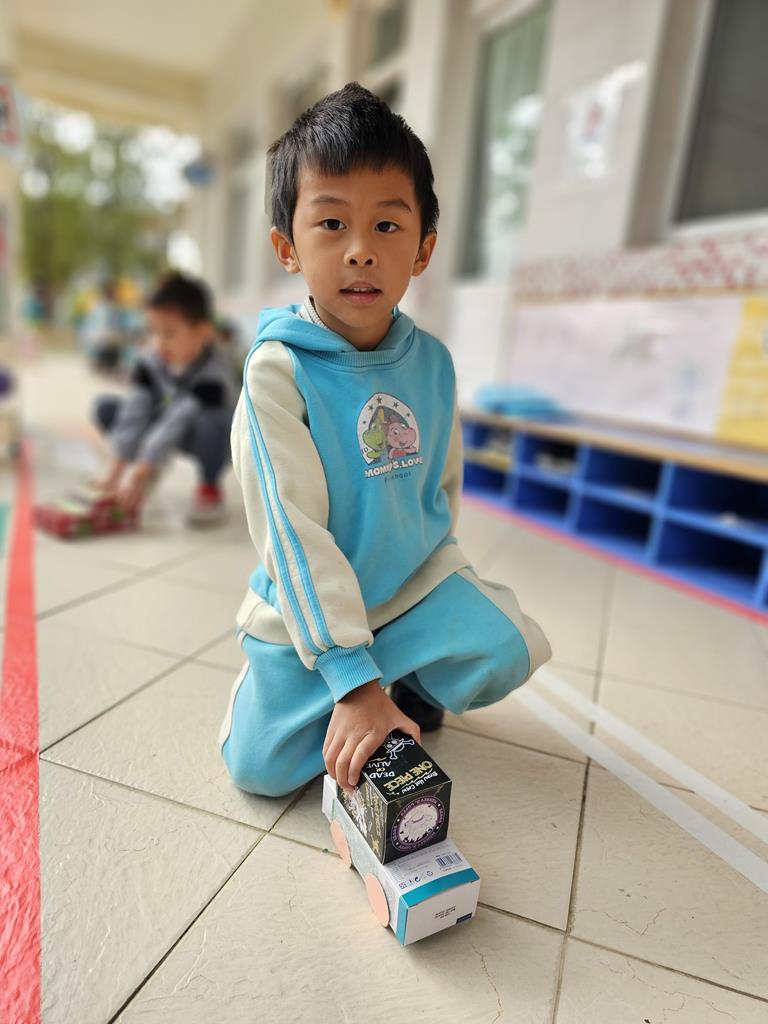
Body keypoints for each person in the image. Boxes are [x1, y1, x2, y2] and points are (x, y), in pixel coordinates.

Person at [219, 83, 551, 799]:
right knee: (259, 769)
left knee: (512, 647)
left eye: (388, 226)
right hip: (314, 605)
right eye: (332, 223)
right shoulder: (278, 372)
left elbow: (442, 489)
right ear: (287, 247)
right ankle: (337, 685)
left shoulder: (433, 362)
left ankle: (403, 678)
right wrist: (350, 678)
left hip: (408, 590)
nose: (361, 251)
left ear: (424, 249)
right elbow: (293, 536)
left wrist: (442, 576)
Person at [92, 271, 236, 527]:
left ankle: (209, 486)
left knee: (208, 422)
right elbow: (136, 410)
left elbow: (179, 418)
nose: (159, 343)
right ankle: (147, 472)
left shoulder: (215, 373)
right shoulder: (152, 360)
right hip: (168, 423)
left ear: (203, 332)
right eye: (153, 332)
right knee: (108, 409)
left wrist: (145, 464)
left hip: (208, 435)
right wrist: (115, 471)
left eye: (169, 334)